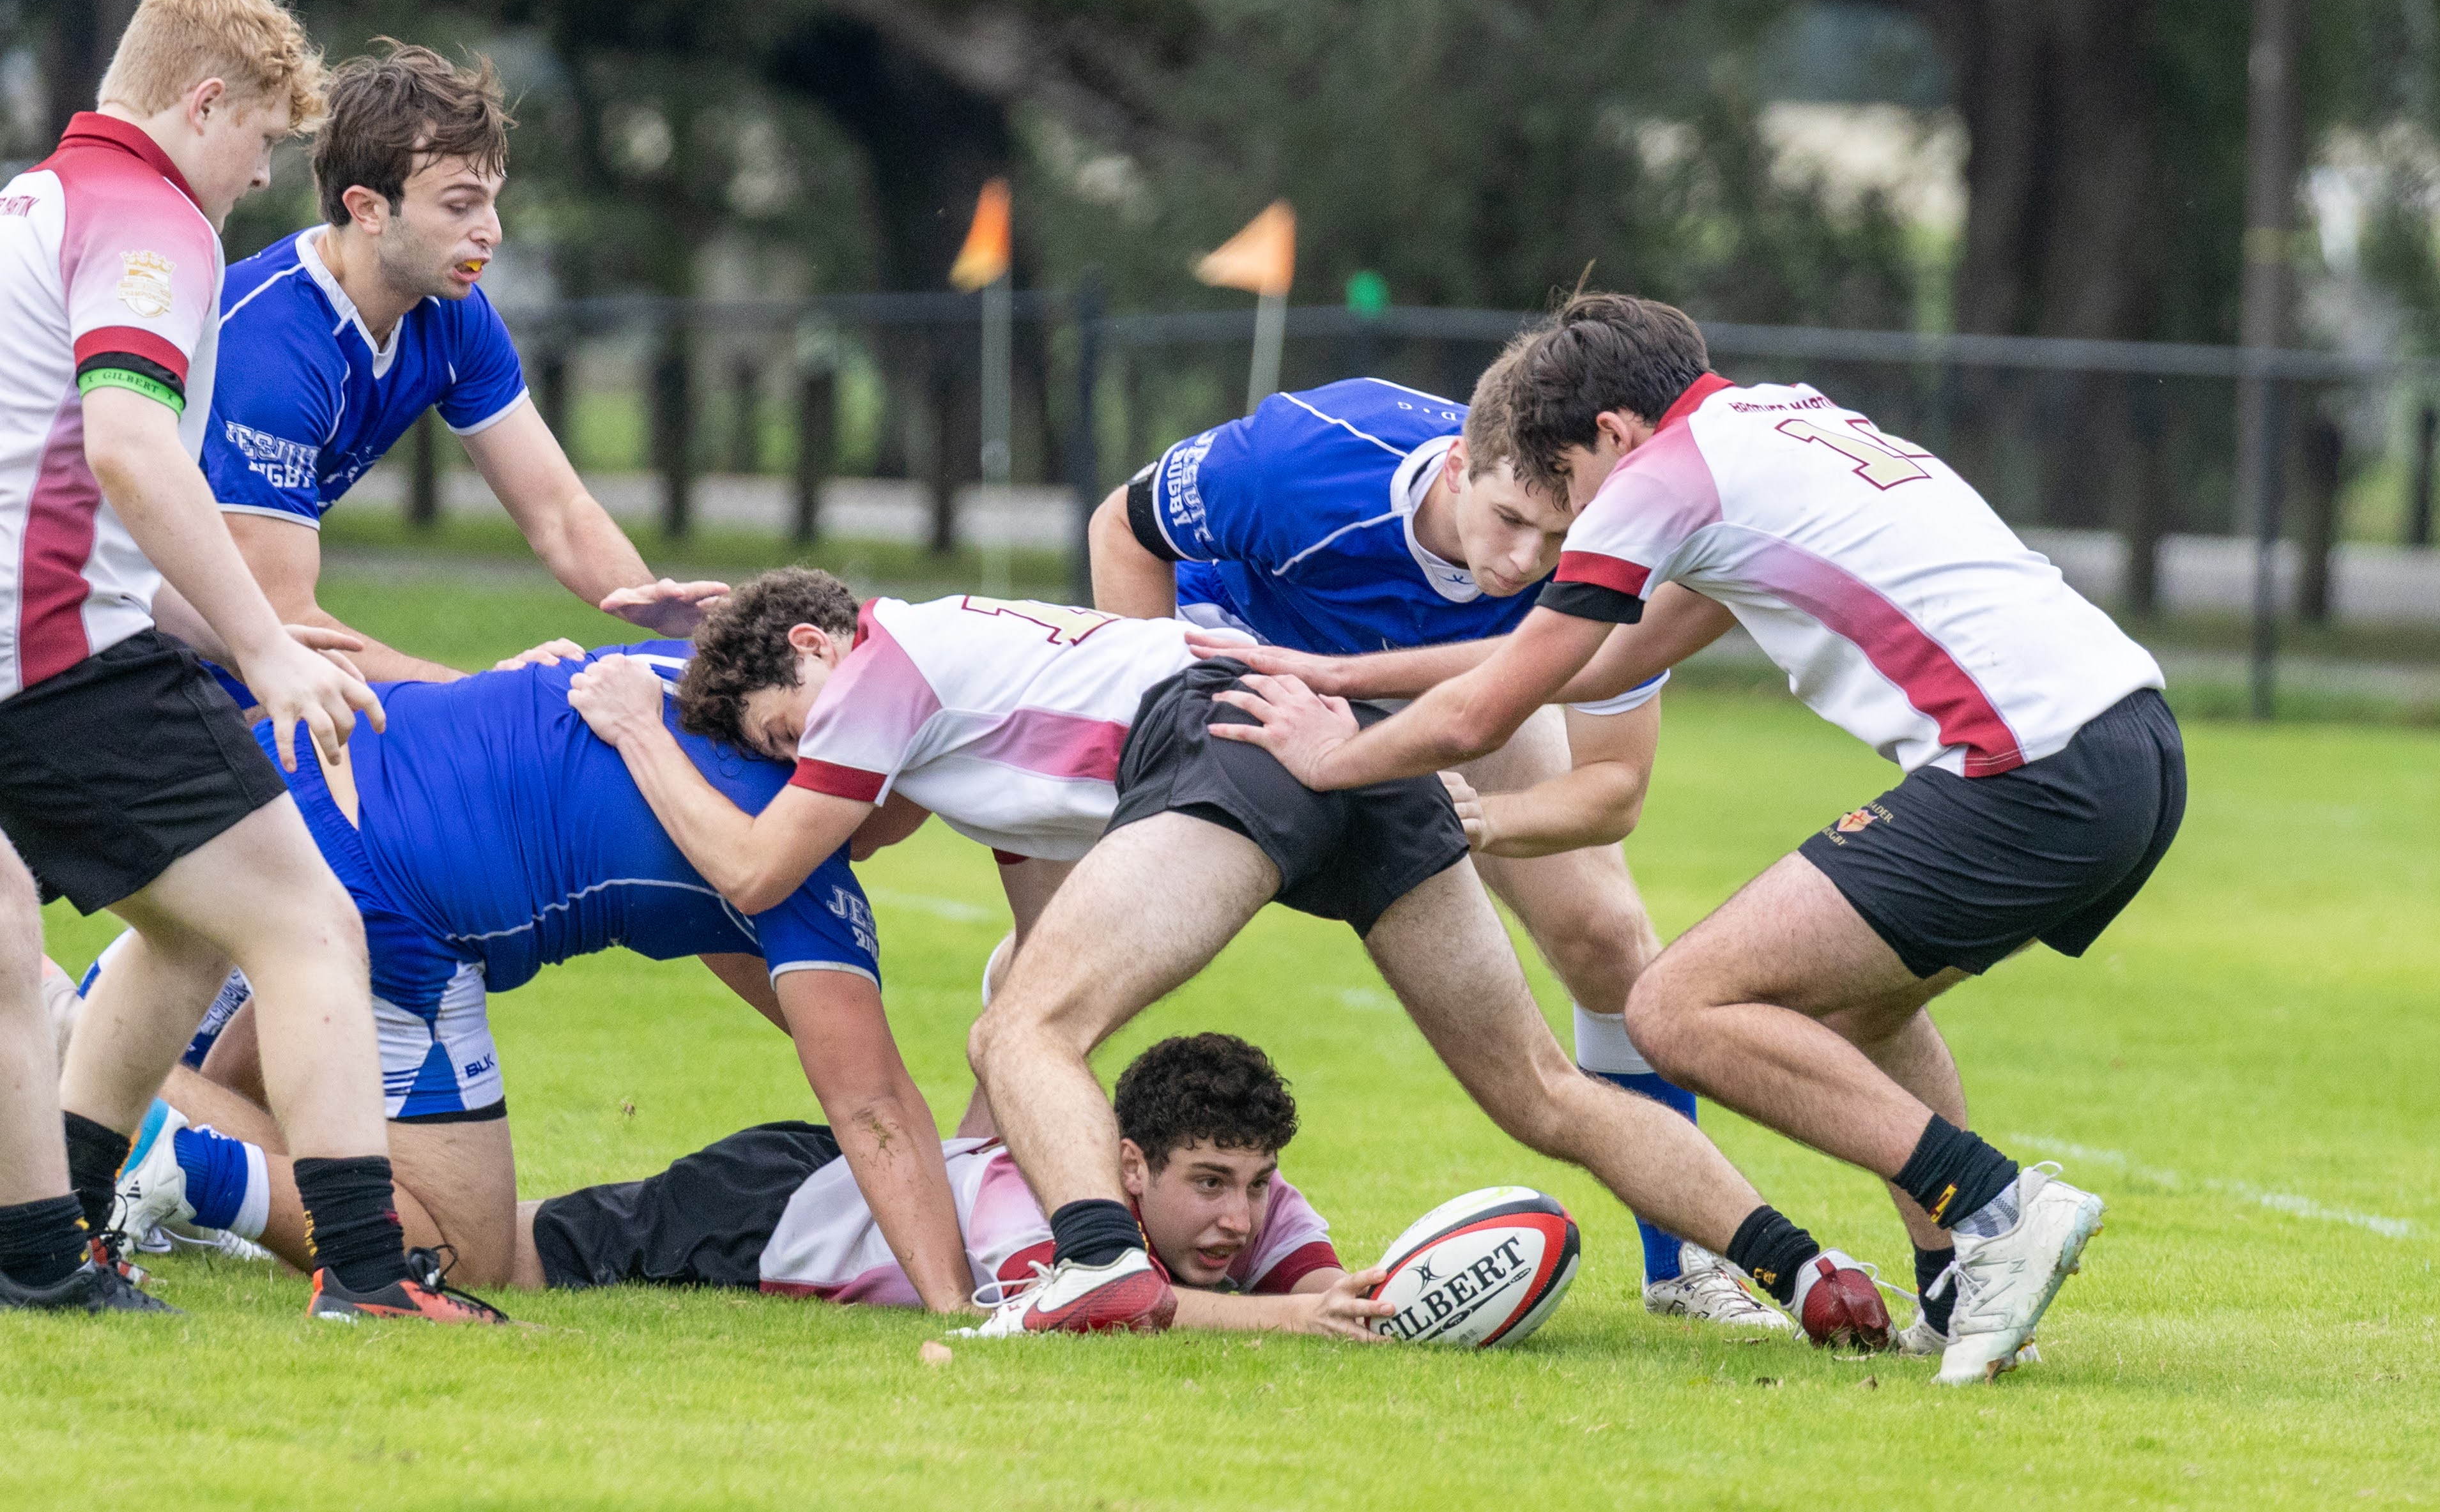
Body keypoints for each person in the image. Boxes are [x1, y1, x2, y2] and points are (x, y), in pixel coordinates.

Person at [1202, 293, 2183, 1384]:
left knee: (1671, 1006)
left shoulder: (1655, 481)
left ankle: (1997, 1205)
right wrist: (1341, 673)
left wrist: (1324, 754)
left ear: (1614, 433)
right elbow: (1598, 663)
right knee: (1861, 1006)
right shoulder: (1781, 420)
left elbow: (1487, 717)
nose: (1570, 523)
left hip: (2024, 769)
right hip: (2130, 747)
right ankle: (1958, 1290)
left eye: (1567, 488)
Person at [564, 572, 1892, 1345]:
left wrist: (637, 722)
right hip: (1338, 740)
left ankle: (1095, 1271)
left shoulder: (880, 669)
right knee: (1538, 1083)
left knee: (1017, 1033)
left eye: (789, 729)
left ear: (817, 647)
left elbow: (756, 871)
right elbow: (1019, 895)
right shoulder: (958, 692)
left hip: (1224, 741)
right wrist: (713, 615)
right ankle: (1805, 1266)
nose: (807, 760)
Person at [0, 0, 493, 1321]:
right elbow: (130, 448)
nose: (262, 177)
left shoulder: (30, 201)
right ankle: (370, 1273)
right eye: (264, 140)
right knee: (305, 923)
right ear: (203, 102)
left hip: (37, 634)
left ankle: (46, 1247)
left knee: (167, 931)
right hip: (48, 660)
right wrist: (272, 652)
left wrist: (233, 626)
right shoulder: (151, 219)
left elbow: (55, 497)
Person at [1085, 373, 1778, 1330]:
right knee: (1082, 943)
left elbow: (1609, 791)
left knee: (1605, 932)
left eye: (1556, 538)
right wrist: (1151, 716)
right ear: (1458, 464)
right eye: (1505, 521)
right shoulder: (1307, 460)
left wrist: (1483, 822)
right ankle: (1034, 1226)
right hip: (1252, 669)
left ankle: (1685, 1266)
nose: (1524, 562)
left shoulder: (1613, 551)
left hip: (1456, 694)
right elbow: (1123, 528)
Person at [98, 641, 970, 1307]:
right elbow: (871, 1103)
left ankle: (105, 1095)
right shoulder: (798, 875)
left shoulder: (694, 677)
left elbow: (809, 1016)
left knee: (312, 1134)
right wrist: (957, 1307)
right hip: (391, 892)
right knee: (470, 1253)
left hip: (309, 774)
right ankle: (151, 1140)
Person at [201, 43, 721, 687]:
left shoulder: (454, 313)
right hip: (134, 646)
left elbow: (558, 512)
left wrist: (654, 604)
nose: (492, 231)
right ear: (367, 209)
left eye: (492, 201)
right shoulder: (270, 347)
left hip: (238, 641)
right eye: (459, 205)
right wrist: (482, 697)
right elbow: (283, 621)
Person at [518, 1031, 1392, 1341]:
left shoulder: (1254, 1193)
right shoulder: (1038, 1212)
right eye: (1208, 1184)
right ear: (1130, 1167)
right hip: (764, 1212)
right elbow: (1121, 1306)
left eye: (1253, 1183)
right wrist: (1290, 1316)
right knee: (500, 1246)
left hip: (859, 1174)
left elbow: (1332, 1292)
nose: (1238, 1217)